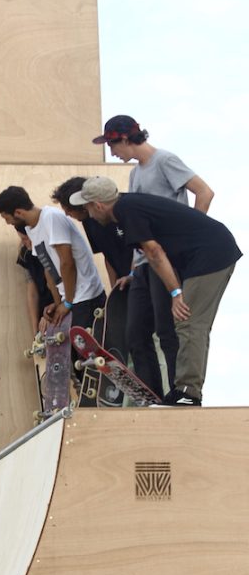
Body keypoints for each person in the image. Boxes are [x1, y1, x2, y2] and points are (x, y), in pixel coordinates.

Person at [70, 176, 242, 405]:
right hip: (201, 256)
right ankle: (183, 390)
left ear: (98, 205)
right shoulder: (126, 206)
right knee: (187, 323)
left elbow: (154, 252)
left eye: (88, 208)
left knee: (189, 321)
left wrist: (175, 293)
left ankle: (188, 393)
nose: (89, 215)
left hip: (212, 255)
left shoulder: (127, 212)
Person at [93, 115, 214, 396]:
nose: (112, 153)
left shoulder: (164, 161)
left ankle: (178, 392)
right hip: (143, 264)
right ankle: (152, 396)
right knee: (135, 333)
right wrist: (133, 271)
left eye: (112, 146)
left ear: (124, 138)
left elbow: (205, 192)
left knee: (166, 331)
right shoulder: (136, 173)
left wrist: (190, 235)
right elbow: (137, 229)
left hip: (165, 262)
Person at [0, 186, 105, 329]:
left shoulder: (51, 217)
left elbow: (67, 262)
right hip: (71, 300)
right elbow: (48, 268)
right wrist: (58, 303)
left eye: (6, 218)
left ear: (18, 212)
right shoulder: (31, 230)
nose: (8, 223)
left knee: (86, 347)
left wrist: (68, 302)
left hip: (86, 297)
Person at [51, 176, 132, 286]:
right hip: (123, 281)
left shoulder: (124, 208)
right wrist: (114, 290)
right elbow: (108, 256)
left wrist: (133, 275)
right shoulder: (87, 220)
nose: (67, 215)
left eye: (69, 210)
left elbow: (142, 250)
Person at [14, 222, 56, 337]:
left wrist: (55, 310)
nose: (24, 243)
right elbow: (32, 293)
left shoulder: (51, 248)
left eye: (25, 239)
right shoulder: (26, 254)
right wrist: (35, 329)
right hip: (45, 309)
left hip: (60, 304)